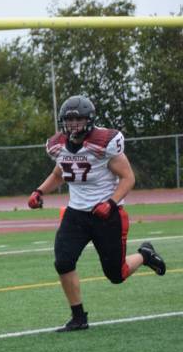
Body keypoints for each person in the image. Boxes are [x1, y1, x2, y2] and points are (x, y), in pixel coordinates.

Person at [27, 95, 166, 332]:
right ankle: (78, 317)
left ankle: (144, 255)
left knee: (116, 274)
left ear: (89, 119)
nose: (73, 125)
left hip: (106, 215)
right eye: (69, 121)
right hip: (76, 214)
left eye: (78, 119)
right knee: (63, 261)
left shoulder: (104, 142)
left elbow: (128, 178)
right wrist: (39, 191)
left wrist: (110, 203)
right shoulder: (58, 145)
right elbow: (59, 174)